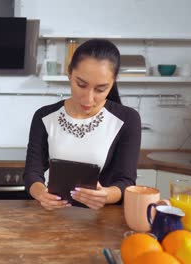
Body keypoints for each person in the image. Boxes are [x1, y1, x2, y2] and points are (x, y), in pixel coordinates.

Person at [24, 39, 141, 210]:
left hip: (102, 221)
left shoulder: (127, 119)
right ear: (69, 73)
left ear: (113, 81)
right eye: (81, 84)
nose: (88, 99)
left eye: (101, 89)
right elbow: (31, 174)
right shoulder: (45, 116)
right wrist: (41, 194)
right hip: (54, 217)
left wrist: (106, 195)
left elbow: (126, 182)